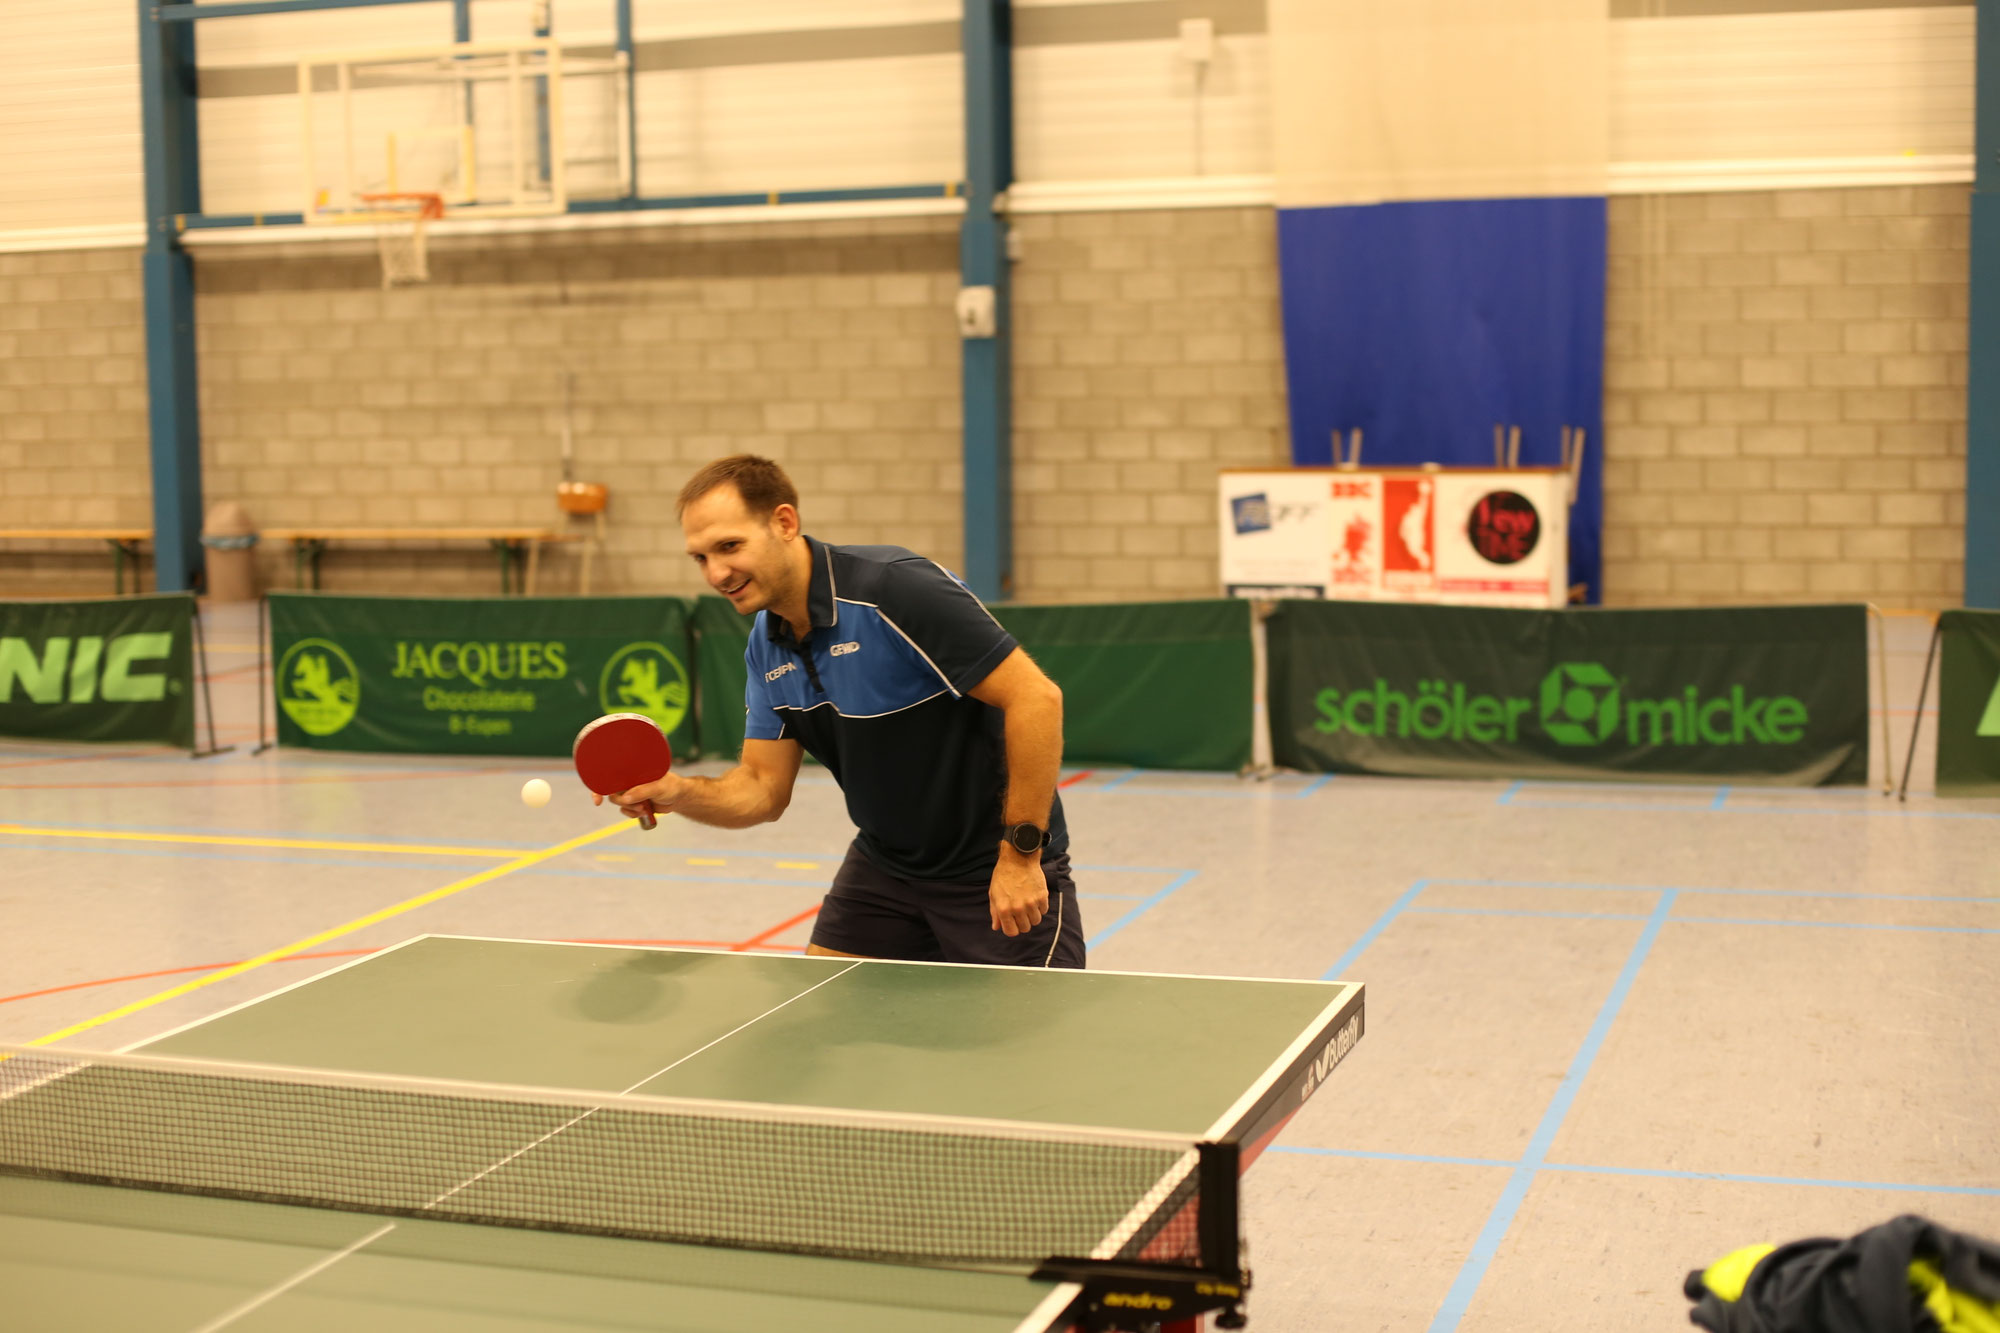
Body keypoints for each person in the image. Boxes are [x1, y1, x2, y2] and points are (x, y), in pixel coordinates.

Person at [601, 455, 1084, 969]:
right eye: (700, 557)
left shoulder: (894, 590)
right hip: (887, 871)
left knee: (1028, 1042)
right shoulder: (766, 647)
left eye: (729, 546)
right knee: (815, 1022)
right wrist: (678, 791)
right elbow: (762, 790)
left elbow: (1036, 698)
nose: (717, 573)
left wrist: (1021, 855)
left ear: (784, 523)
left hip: (992, 868)